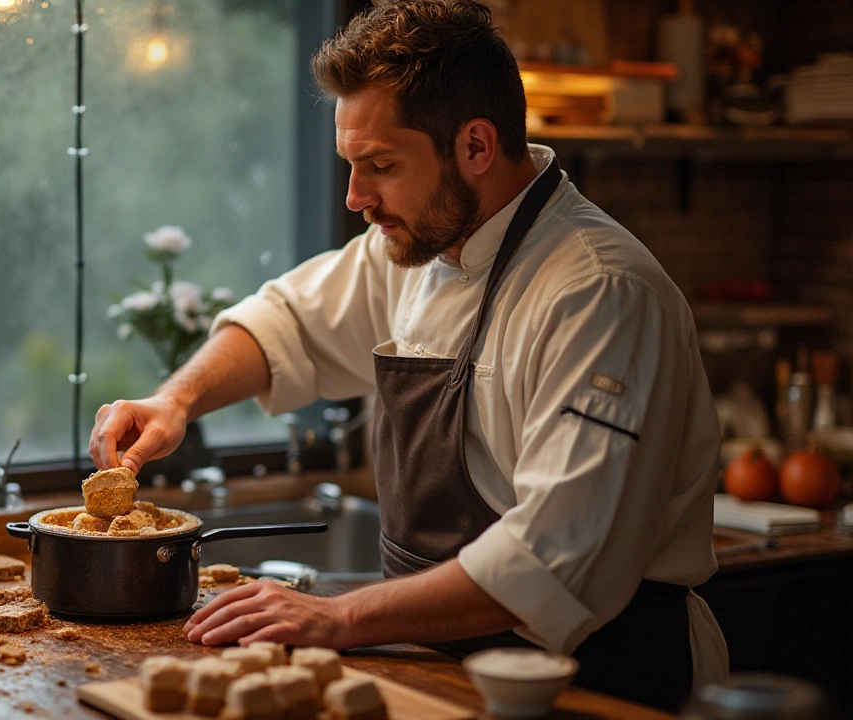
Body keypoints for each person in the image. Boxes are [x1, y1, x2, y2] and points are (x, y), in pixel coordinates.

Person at [88, 0, 728, 711]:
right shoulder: (420, 247)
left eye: (381, 165)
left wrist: (342, 616)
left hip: (592, 679)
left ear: (476, 147)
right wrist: (178, 399)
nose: (356, 196)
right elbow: (289, 324)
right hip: (437, 661)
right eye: (350, 164)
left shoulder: (601, 294)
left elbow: (556, 556)